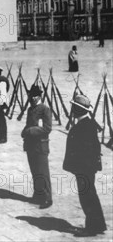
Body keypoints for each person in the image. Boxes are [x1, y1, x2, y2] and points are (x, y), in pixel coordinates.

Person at [63, 94, 106, 237]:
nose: (72, 110)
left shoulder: (84, 126)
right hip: (87, 168)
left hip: (84, 169)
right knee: (91, 195)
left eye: (74, 107)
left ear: (77, 109)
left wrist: (79, 168)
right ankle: (99, 225)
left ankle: (92, 228)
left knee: (87, 198)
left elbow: (87, 150)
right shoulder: (88, 123)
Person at [21, 84, 52, 209]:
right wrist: (24, 131)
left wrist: (30, 131)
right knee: (35, 171)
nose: (31, 97)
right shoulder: (30, 109)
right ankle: (38, 195)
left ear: (38, 96)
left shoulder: (45, 109)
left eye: (33, 95)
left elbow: (47, 128)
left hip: (40, 146)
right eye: (30, 95)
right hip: (30, 145)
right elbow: (29, 124)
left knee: (43, 173)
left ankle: (47, 198)